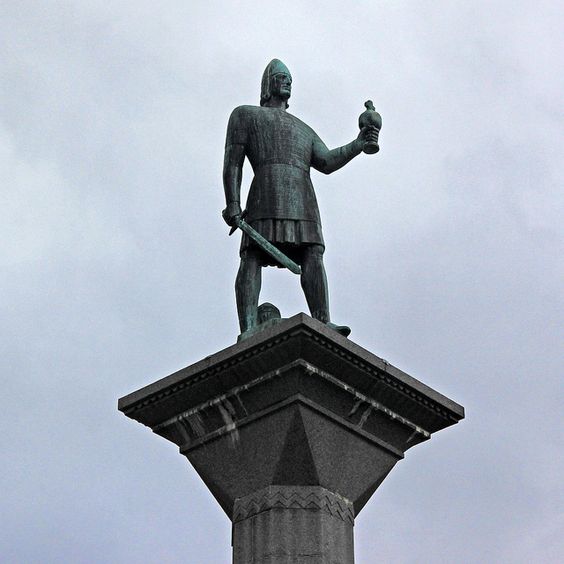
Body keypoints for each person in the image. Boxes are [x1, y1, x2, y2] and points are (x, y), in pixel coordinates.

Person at [222, 59, 378, 336]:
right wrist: (233, 203)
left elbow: (326, 161)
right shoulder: (245, 115)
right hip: (265, 192)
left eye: (290, 79)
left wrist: (358, 143)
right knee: (252, 256)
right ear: (267, 83)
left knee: (313, 253)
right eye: (281, 76)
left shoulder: (303, 129)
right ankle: (248, 327)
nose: (287, 82)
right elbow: (233, 163)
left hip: (303, 197)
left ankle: (322, 320)